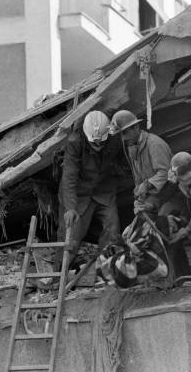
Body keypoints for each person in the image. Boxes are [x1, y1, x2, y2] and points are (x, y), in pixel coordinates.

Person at [57, 110, 125, 270]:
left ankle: (109, 270)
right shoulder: (75, 141)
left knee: (113, 229)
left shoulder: (115, 138)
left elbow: (124, 162)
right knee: (71, 235)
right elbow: (69, 177)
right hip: (78, 194)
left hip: (104, 189)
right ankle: (60, 273)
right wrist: (70, 208)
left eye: (101, 143)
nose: (99, 147)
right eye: (95, 144)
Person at [109, 110, 172, 214]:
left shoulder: (154, 144)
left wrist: (147, 185)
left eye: (125, 132)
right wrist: (139, 199)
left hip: (169, 195)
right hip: (154, 197)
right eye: (120, 134)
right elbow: (138, 178)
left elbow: (166, 173)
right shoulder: (133, 147)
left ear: (136, 127)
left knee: (161, 225)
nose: (123, 138)